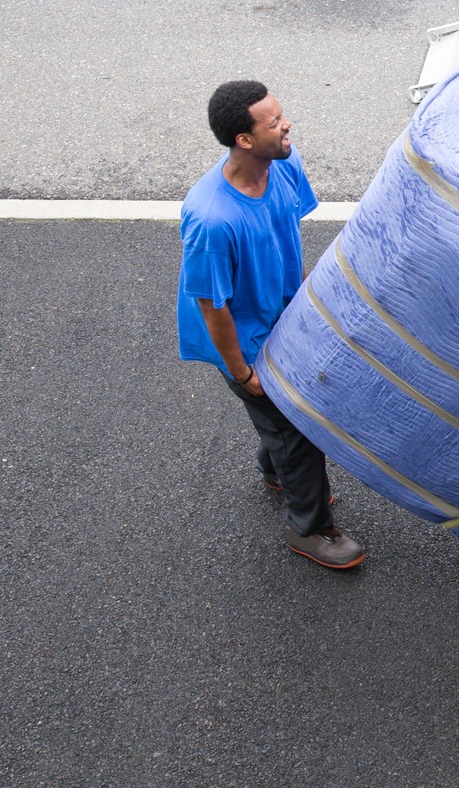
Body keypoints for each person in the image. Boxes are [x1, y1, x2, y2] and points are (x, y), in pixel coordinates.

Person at [177, 80, 365, 571]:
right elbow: (211, 306)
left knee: (284, 427)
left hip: (285, 315)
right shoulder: (211, 219)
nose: (287, 126)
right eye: (275, 122)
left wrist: (304, 296)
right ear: (244, 139)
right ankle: (309, 529)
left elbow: (286, 231)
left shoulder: (284, 163)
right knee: (296, 428)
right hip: (242, 341)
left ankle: (275, 468)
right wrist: (242, 373)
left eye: (282, 115)